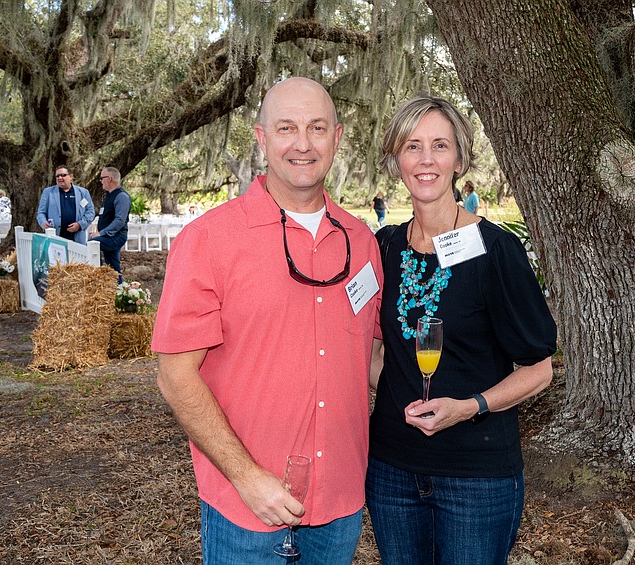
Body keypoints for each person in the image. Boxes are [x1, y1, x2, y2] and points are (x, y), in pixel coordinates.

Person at [151, 77, 383, 565]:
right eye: (286, 128)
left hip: (340, 507)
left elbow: (371, 358)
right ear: (261, 138)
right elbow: (175, 377)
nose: (303, 143)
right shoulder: (208, 240)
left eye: (317, 128)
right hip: (247, 512)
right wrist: (246, 477)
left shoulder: (362, 243)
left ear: (337, 138)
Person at [367, 95, 557, 565]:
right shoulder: (384, 246)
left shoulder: (496, 250)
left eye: (439, 145)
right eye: (412, 146)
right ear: (396, 158)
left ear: (459, 158)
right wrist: (392, 388)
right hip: (392, 471)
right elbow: (373, 346)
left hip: (476, 478)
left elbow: (539, 370)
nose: (426, 159)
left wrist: (468, 407)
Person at [88, 167, 130, 284]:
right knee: (113, 266)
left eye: (102, 178)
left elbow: (119, 221)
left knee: (91, 245)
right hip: (107, 236)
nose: (100, 181)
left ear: (110, 179)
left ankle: (99, 277)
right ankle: (119, 290)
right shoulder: (108, 196)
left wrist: (100, 234)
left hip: (116, 237)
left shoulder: (121, 196)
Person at [35, 165, 95, 244]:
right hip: (55, 238)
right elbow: (41, 213)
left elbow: (90, 212)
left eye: (63, 175)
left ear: (71, 176)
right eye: (57, 176)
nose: (60, 178)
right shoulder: (48, 192)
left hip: (77, 239)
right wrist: (43, 222)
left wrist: (80, 225)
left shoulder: (83, 193)